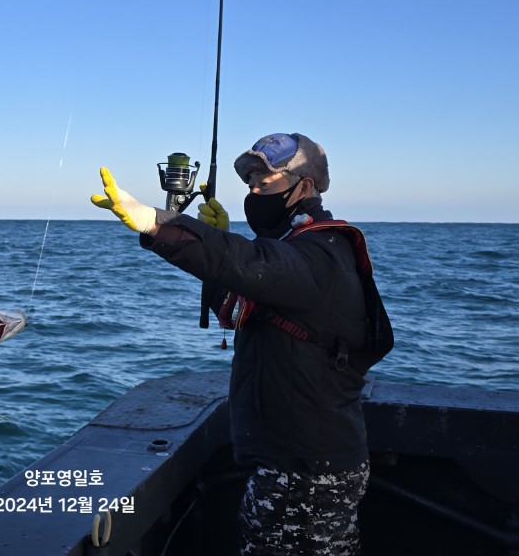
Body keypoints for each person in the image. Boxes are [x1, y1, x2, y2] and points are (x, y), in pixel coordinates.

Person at [90, 132, 392, 556]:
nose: (253, 193)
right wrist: (216, 239)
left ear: (304, 185)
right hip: (302, 462)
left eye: (263, 183)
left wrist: (158, 223)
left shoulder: (319, 253)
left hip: (304, 473)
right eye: (250, 183)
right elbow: (242, 301)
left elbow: (249, 263)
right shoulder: (297, 248)